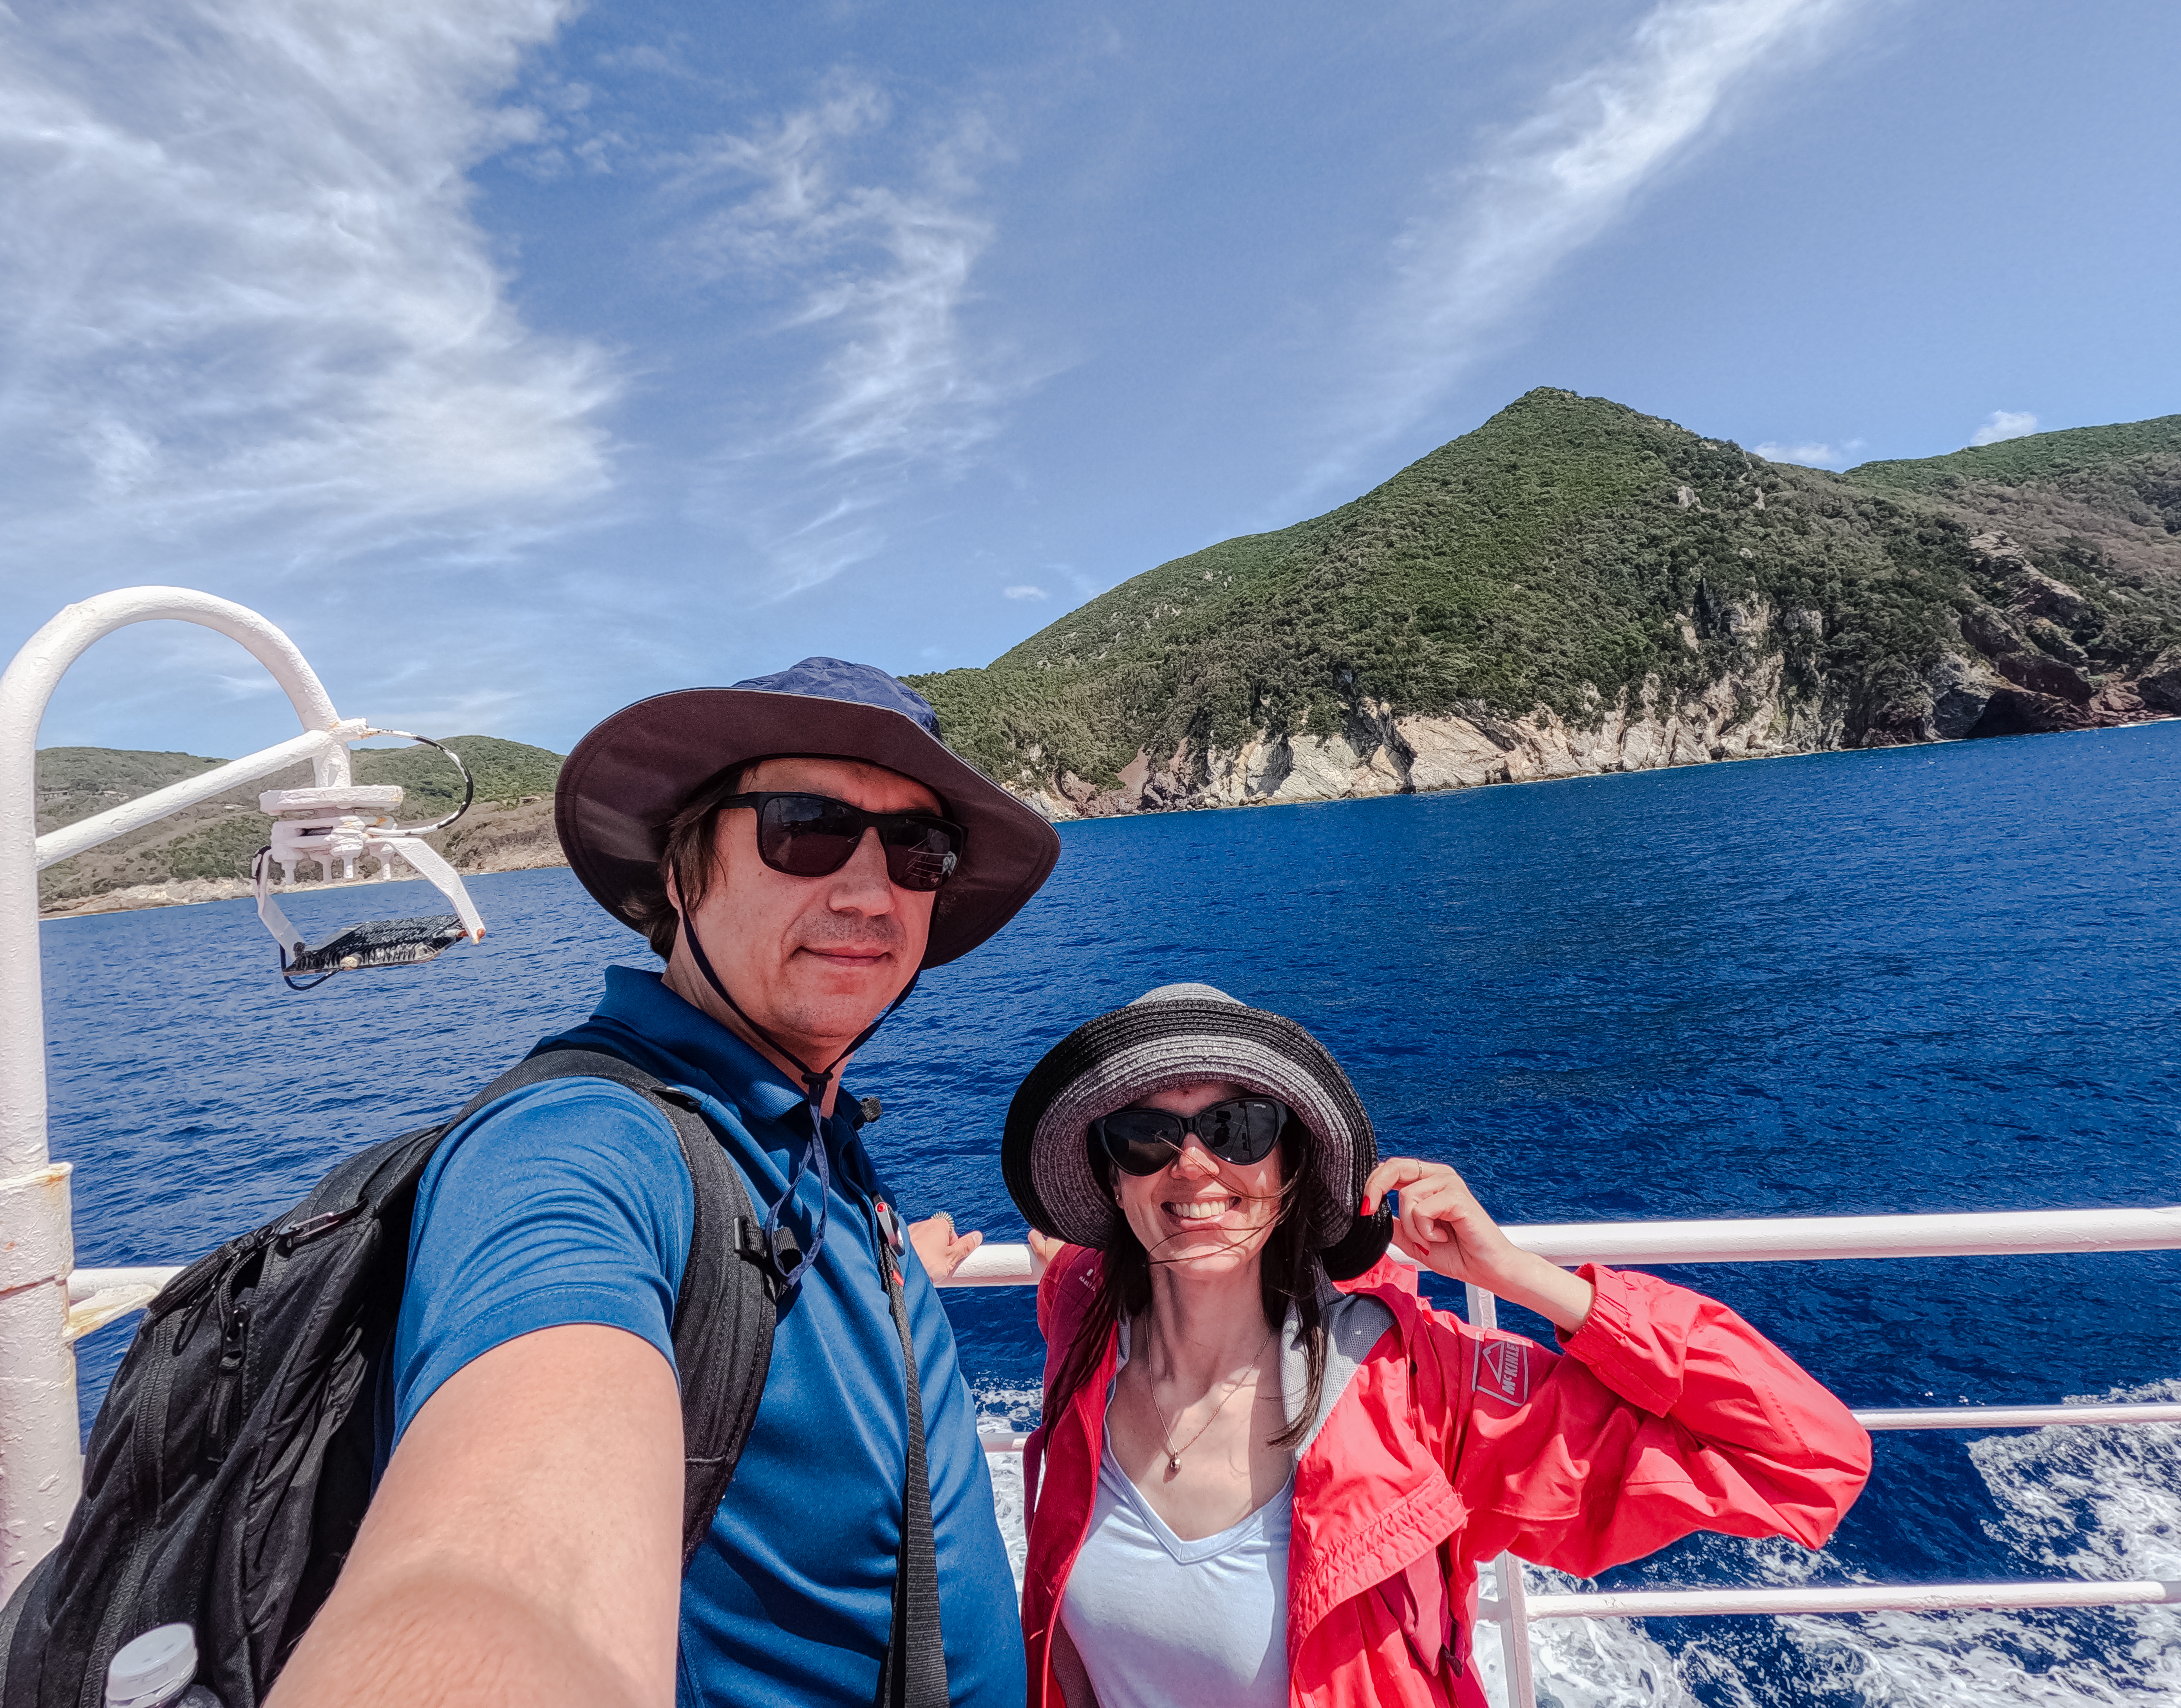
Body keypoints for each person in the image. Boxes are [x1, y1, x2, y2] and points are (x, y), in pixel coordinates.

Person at [270, 659, 1061, 1708]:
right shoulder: (579, 1142)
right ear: (684, 875)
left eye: (920, 851)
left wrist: (887, 1292)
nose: (873, 893)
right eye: (805, 829)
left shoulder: (795, 1129)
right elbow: (497, 1569)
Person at [1003, 984, 1872, 1708]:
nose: (1192, 1166)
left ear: (1293, 1167)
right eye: (1144, 1137)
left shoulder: (1425, 1392)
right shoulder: (1084, 1330)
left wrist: (1523, 1276)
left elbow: (1805, 1459)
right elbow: (1077, 1269)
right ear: (1113, 1180)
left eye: (1238, 1130)